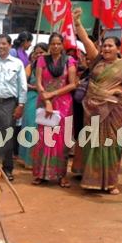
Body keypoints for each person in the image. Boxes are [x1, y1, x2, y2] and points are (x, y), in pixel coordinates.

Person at [73, 8, 122, 195]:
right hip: (92, 108)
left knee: (112, 144)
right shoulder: (96, 61)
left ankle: (111, 182)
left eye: (110, 46)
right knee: (92, 143)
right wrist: (77, 23)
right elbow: (86, 41)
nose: (106, 49)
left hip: (114, 111)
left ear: (118, 49)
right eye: (105, 46)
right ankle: (91, 179)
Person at [31, 33, 77, 187]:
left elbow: (72, 84)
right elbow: (38, 82)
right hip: (44, 101)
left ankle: (61, 175)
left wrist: (53, 94)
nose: (56, 46)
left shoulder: (69, 61)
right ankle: (40, 173)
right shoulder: (42, 60)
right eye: (53, 44)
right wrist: (47, 99)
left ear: (63, 45)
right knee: (43, 138)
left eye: (59, 44)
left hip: (64, 103)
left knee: (61, 139)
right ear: (49, 45)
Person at [0, 34, 26, 182]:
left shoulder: (17, 64)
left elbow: (23, 86)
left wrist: (21, 105)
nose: (0, 46)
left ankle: (7, 169)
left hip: (9, 104)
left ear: (9, 45)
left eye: (3, 44)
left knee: (7, 136)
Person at [18, 43, 45, 168]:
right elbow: (22, 82)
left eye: (42, 52)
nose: (39, 54)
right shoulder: (30, 66)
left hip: (46, 99)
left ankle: (42, 161)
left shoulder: (51, 67)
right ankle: (28, 160)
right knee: (30, 127)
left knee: (43, 130)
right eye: (37, 52)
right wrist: (35, 87)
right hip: (32, 98)